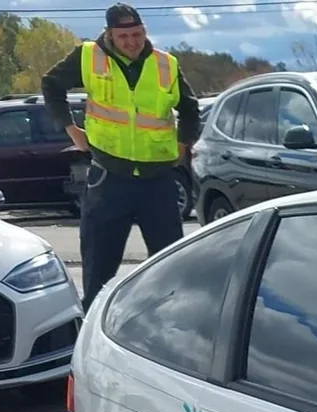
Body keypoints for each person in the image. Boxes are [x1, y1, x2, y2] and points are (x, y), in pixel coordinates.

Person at [42, 4, 201, 306]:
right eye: (123, 36)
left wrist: (184, 144)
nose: (131, 42)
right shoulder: (89, 56)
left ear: (144, 31)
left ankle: (167, 324)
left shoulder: (165, 63)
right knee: (99, 267)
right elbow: (51, 84)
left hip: (157, 180)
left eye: (137, 34)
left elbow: (190, 108)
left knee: (170, 268)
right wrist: (70, 129)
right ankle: (92, 321)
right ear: (110, 35)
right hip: (109, 178)